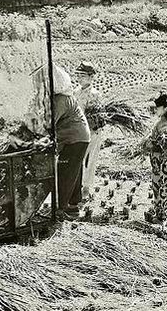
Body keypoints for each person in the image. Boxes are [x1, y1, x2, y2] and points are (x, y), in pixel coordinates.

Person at [53, 65, 91, 217]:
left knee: (66, 170)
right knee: (74, 169)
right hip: (79, 137)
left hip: (75, 138)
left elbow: (49, 124)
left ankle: (62, 208)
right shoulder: (64, 97)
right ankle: (73, 204)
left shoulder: (61, 100)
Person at [73, 61, 102, 200]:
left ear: (91, 77)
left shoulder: (95, 94)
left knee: (90, 160)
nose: (79, 78)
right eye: (78, 75)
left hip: (92, 132)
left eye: (82, 75)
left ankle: (86, 187)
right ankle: (76, 186)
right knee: (78, 159)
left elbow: (97, 116)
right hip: (77, 132)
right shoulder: (75, 93)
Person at [147, 93, 167, 223]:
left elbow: (166, 144)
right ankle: (158, 213)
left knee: (163, 189)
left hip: (164, 164)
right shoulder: (160, 122)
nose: (156, 109)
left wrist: (153, 143)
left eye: (158, 107)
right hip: (156, 163)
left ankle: (162, 217)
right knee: (156, 188)